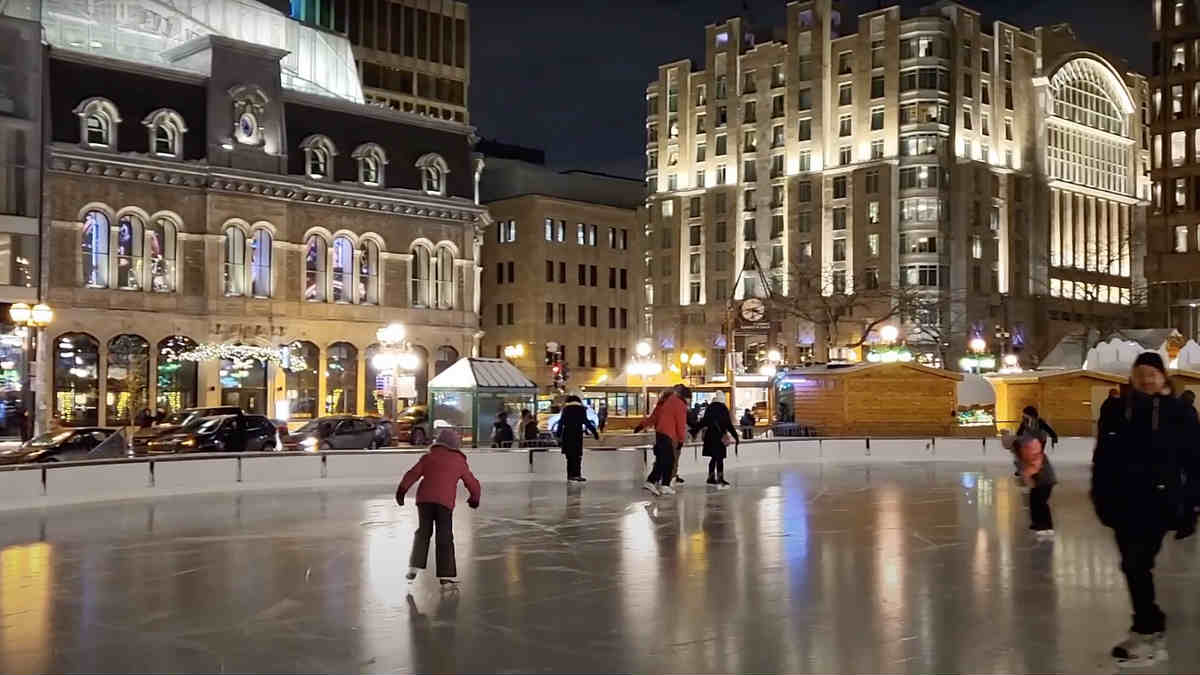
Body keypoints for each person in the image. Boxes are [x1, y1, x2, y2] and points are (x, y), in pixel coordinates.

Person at [1092, 351, 1200, 666]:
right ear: (1132, 377)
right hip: (1123, 501)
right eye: (1140, 374)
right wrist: (1100, 497)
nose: (1145, 379)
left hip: (1159, 501)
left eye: (1151, 374)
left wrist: (1191, 506)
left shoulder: (1179, 412)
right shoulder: (1117, 409)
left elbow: (1194, 462)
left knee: (1136, 563)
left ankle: (1149, 630)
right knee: (1131, 565)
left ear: (1163, 376)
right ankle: (1149, 624)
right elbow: (1103, 458)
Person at [396, 429, 481, 587]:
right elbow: (472, 482)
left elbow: (412, 474)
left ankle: (413, 568)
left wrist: (402, 491)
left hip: (424, 501)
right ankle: (445, 575)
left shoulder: (428, 457)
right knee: (445, 537)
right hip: (444, 503)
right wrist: (474, 498)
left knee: (423, 532)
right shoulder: (459, 461)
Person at [633, 387, 689, 496]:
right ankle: (660, 484)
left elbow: (654, 417)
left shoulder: (663, 403)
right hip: (668, 435)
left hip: (660, 433)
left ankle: (657, 483)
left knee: (662, 459)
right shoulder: (679, 403)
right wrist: (681, 440)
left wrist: (641, 425)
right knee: (668, 460)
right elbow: (680, 423)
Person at [1013, 433, 1057, 536]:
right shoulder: (1024, 453)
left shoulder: (1033, 452)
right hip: (1038, 481)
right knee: (1034, 502)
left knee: (1041, 503)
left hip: (1045, 481)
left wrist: (1027, 476)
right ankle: (1037, 523)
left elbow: (1034, 467)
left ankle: (1047, 525)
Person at [555, 395, 600, 482]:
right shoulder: (581, 410)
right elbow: (586, 422)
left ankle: (570, 475)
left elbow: (561, 423)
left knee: (569, 457)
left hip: (567, 435)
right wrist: (595, 433)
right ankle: (577, 475)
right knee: (577, 456)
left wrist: (558, 435)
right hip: (576, 435)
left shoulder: (566, 409)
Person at [700, 392, 738, 487]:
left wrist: (694, 430)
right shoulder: (722, 409)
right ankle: (719, 478)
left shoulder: (710, 409)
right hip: (719, 437)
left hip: (710, 437)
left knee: (714, 458)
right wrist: (735, 436)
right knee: (719, 458)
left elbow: (704, 422)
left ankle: (711, 477)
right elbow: (728, 424)